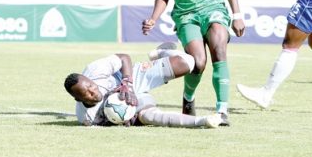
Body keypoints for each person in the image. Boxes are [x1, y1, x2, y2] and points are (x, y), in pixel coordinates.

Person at [63, 43, 222, 128]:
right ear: (78, 99)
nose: (94, 90)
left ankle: (162, 52)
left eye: (91, 86)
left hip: (133, 78)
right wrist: (127, 119)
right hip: (130, 104)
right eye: (87, 94)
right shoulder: (86, 117)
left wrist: (127, 84)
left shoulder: (94, 70)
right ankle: (202, 121)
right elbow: (110, 123)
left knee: (188, 63)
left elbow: (124, 57)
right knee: (150, 118)